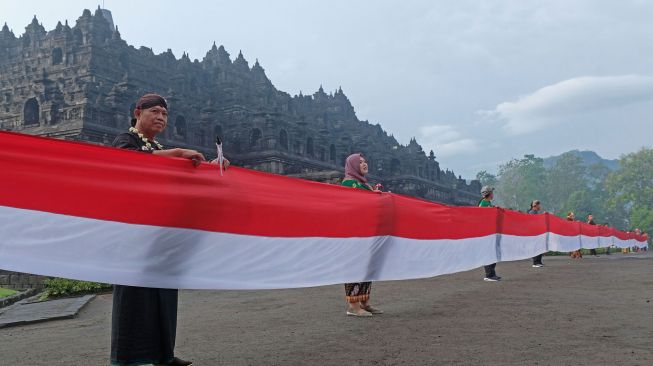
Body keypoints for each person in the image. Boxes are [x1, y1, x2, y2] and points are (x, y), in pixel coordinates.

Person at [110, 93, 227, 366]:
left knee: (162, 295)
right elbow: (128, 164)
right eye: (156, 112)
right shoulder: (125, 141)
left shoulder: (157, 147)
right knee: (135, 298)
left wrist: (212, 169)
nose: (161, 117)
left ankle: (162, 355)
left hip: (158, 235)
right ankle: (129, 358)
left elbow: (181, 184)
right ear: (138, 113)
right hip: (134, 236)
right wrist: (176, 154)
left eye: (165, 114)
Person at [341, 153, 383, 317]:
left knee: (367, 267)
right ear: (352, 166)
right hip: (354, 233)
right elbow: (354, 206)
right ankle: (353, 305)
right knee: (354, 267)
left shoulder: (363, 184)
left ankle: (364, 302)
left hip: (366, 232)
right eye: (360, 162)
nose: (364, 164)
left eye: (365, 161)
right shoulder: (349, 183)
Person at [478, 186, 501, 281]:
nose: (493, 194)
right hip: (485, 232)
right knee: (489, 253)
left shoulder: (488, 203)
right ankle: (489, 275)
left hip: (490, 232)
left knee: (493, 253)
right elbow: (481, 216)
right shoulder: (483, 203)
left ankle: (492, 273)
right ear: (488, 194)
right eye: (492, 193)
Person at [528, 200, 545, 267]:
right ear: (534, 205)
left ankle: (539, 261)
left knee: (540, 247)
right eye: (538, 204)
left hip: (538, 232)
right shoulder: (532, 212)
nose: (539, 206)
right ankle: (535, 262)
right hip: (534, 233)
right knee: (536, 247)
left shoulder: (536, 212)